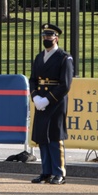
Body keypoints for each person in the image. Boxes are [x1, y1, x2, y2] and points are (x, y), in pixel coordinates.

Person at [28, 23, 74, 185]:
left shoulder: (64, 57)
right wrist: (35, 97)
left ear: (57, 38)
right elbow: (32, 79)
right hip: (40, 101)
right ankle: (46, 172)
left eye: (50, 36)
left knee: (55, 137)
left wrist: (48, 99)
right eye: (44, 36)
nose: (46, 39)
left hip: (55, 102)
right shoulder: (39, 57)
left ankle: (59, 172)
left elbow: (65, 84)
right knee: (42, 138)